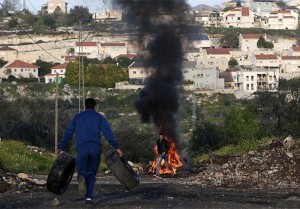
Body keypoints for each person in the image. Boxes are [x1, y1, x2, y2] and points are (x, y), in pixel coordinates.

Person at [59, 98, 123, 206]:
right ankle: (88, 198)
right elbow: (108, 133)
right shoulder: (99, 117)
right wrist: (117, 147)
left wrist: (62, 148)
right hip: (95, 148)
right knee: (92, 174)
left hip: (82, 148)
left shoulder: (77, 117)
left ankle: (81, 178)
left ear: (84, 106)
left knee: (82, 170)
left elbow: (68, 133)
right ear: (95, 107)